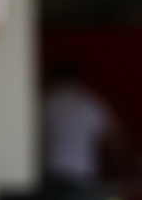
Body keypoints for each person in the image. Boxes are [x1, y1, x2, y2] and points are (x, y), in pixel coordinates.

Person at [42, 59, 122, 187]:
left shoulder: (46, 102)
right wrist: (119, 172)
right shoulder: (90, 102)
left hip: (51, 174)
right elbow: (115, 140)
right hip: (83, 174)